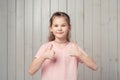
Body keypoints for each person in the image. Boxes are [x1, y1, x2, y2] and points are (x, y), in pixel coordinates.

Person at [29, 11, 98, 80]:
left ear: (69, 28)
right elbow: (31, 71)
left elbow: (95, 67)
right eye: (56, 25)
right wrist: (44, 56)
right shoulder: (45, 47)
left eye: (63, 25)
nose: (59, 29)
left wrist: (79, 54)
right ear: (51, 29)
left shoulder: (74, 48)